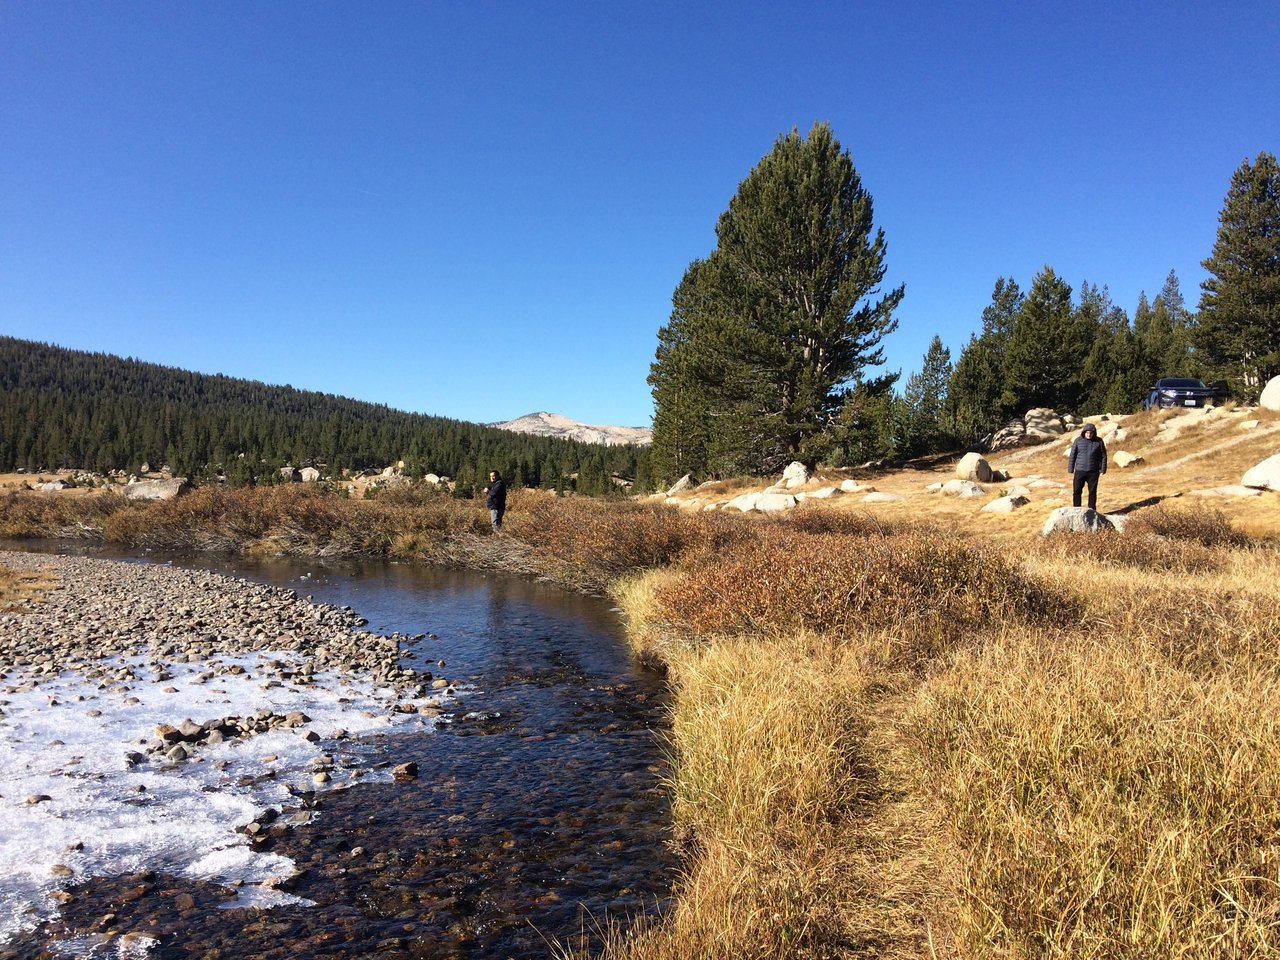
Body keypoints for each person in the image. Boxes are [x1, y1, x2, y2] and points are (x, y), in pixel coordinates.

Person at [1067, 423, 1107, 511]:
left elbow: (1103, 456)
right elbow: (1072, 455)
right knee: (1077, 491)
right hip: (1080, 471)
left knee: (1092, 492)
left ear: (1094, 433)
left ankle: (1092, 510)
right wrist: (1070, 468)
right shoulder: (1078, 441)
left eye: (1091, 433)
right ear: (1084, 432)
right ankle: (1077, 510)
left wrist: (1103, 469)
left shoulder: (1099, 441)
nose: (1089, 434)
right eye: (1087, 433)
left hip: (1093, 471)